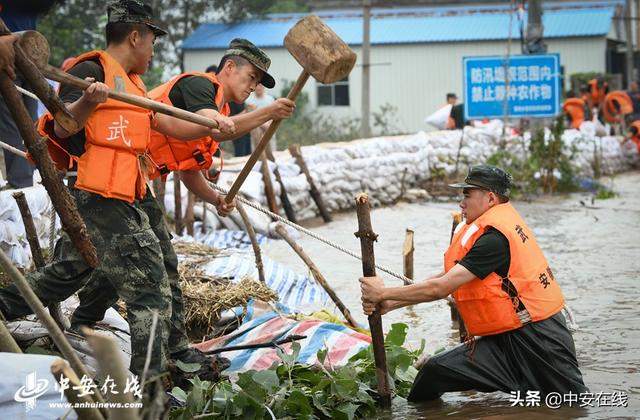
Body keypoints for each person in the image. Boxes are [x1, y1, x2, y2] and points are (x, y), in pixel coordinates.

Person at [0, 0, 233, 379]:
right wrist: (89, 101)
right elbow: (61, 128)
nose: (154, 50)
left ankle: (4, 304)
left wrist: (212, 127)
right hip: (99, 194)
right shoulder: (88, 71)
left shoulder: (135, 85)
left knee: (71, 271)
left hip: (131, 192)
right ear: (136, 36)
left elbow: (172, 127)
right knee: (149, 292)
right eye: (153, 41)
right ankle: (151, 388)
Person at [69, 39, 295, 362]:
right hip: (112, 177)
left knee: (133, 261)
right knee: (83, 267)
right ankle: (152, 367)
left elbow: (190, 174)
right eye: (251, 77)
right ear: (229, 68)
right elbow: (215, 129)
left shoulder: (222, 108)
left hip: (135, 181)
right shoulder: (201, 87)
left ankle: (161, 345)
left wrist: (216, 198)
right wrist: (269, 112)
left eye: (258, 82)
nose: (253, 86)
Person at [360, 164, 587, 402]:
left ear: (490, 198)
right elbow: (446, 277)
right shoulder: (487, 231)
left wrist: (382, 293)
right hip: (506, 338)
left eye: (467, 195)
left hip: (540, 339)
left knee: (572, 404)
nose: (461, 203)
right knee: (434, 372)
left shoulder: (495, 239)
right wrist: (391, 301)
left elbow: (442, 288)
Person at [0, 1, 59, 188]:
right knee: (24, 121)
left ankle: (22, 182)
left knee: (21, 121)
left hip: (18, 51)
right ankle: (26, 179)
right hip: (25, 50)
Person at [246, 83, 277, 152]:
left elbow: (274, 114)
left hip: (269, 131)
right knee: (256, 154)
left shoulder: (270, 99)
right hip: (256, 131)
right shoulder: (249, 100)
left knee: (271, 153)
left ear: (264, 87)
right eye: (257, 85)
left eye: (261, 85)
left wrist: (268, 125)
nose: (259, 88)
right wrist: (262, 125)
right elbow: (250, 117)